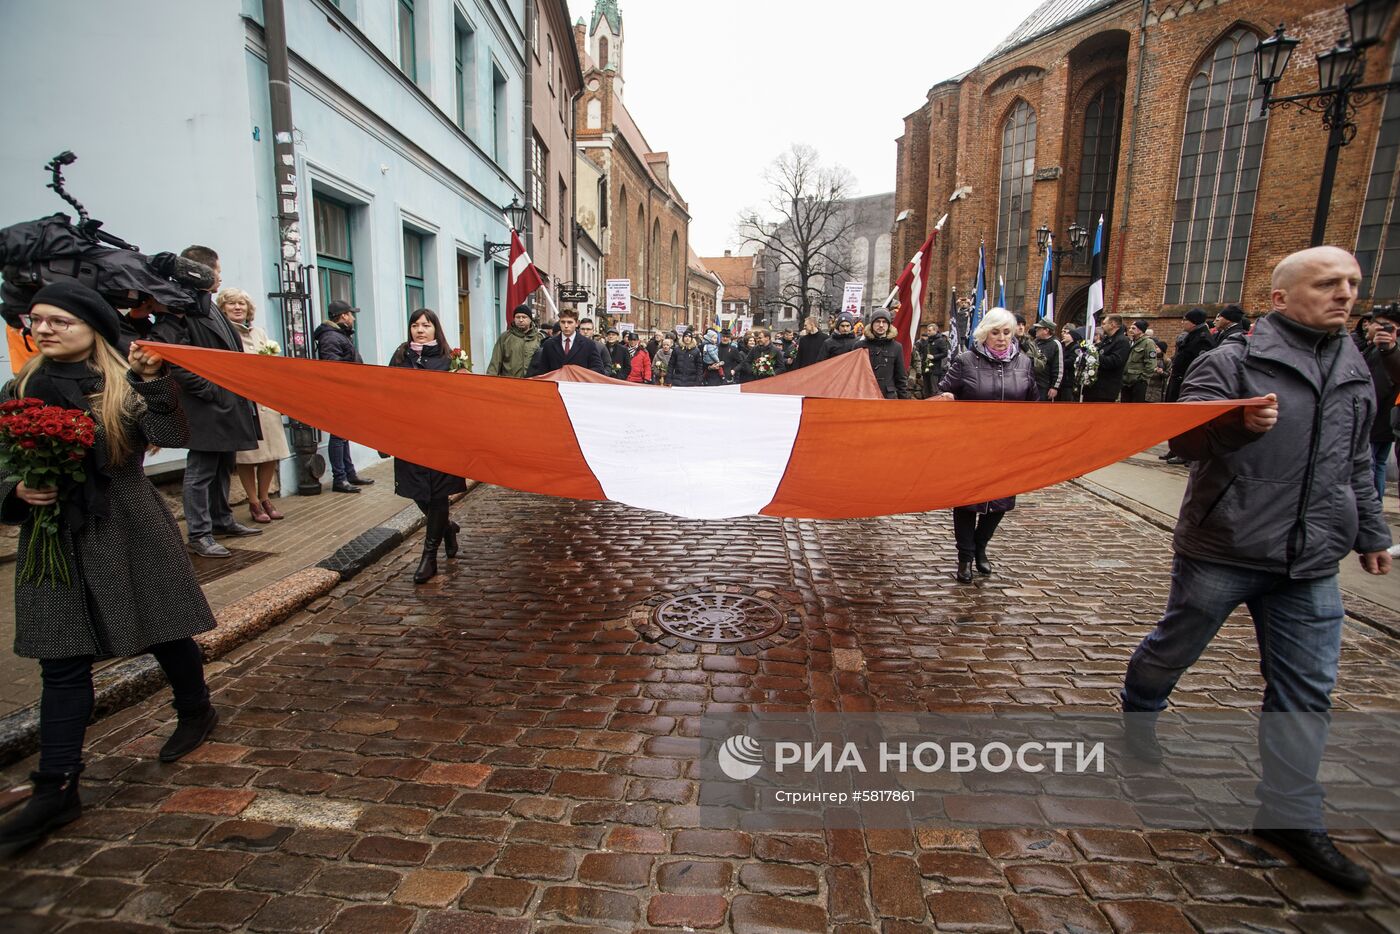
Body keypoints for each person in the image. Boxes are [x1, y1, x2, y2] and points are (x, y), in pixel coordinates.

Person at [1121, 246, 1391, 892]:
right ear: (1280, 297)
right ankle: (1140, 703)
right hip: (1225, 546)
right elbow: (1180, 441)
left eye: (1352, 284)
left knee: (1306, 690)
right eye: (1328, 284)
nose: (1345, 295)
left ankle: (1290, 815)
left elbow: (1357, 460)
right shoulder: (1230, 361)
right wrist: (1236, 427)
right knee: (1173, 648)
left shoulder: (1352, 365)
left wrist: (1373, 531)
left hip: (1312, 561)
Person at [0, 281, 219, 856]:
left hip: (126, 522)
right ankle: (58, 786)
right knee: (61, 657)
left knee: (166, 630)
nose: (44, 330)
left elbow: (172, 438)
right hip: (53, 536)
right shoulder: (19, 388)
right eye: (37, 320)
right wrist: (18, 490)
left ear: (92, 327)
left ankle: (196, 710)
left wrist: (152, 382)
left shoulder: (119, 384)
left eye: (59, 321)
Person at [152, 246, 263, 555]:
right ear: (200, 272)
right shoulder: (182, 308)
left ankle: (221, 519)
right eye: (217, 271)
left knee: (222, 467)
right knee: (200, 472)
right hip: (206, 407)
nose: (220, 277)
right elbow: (176, 362)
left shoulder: (208, 306)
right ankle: (199, 534)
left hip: (226, 405)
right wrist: (212, 391)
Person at [931, 308, 1039, 582]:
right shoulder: (966, 361)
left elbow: (1033, 404)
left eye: (1006, 332)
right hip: (971, 445)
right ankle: (965, 557)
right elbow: (945, 390)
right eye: (995, 332)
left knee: (1001, 502)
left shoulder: (1024, 363)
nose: (1001, 338)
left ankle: (981, 546)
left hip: (1007, 446)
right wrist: (945, 397)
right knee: (968, 503)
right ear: (984, 333)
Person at [388, 309, 469, 585]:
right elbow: (386, 394)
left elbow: (462, 400)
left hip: (443, 438)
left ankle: (429, 557)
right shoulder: (400, 358)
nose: (420, 330)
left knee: (438, 496)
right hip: (410, 437)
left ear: (436, 329)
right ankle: (447, 528)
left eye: (426, 325)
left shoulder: (450, 359)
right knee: (418, 493)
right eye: (415, 325)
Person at [217, 288, 291, 523]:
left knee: (271, 452)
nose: (238, 307)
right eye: (232, 304)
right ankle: (253, 502)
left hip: (265, 401)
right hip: (243, 403)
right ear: (223, 307)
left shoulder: (258, 332)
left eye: (242, 304)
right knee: (248, 456)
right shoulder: (224, 332)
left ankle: (265, 497)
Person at [1364, 305, 1399, 501]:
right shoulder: (1379, 349)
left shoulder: (1384, 352)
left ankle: (1373, 504)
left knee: (1373, 465)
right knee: (1378, 464)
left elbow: (1378, 387)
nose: (1367, 326)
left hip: (1378, 420)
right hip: (1387, 421)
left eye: (1372, 323)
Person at [526, 308, 608, 376]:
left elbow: (598, 369)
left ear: (577, 323)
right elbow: (543, 370)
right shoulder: (549, 344)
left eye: (569, 322)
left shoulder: (588, 345)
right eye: (563, 322)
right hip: (556, 389)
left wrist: (579, 374)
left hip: (579, 389)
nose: (566, 326)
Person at [860, 308, 910, 399]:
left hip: (888, 396)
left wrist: (903, 401)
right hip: (865, 395)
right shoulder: (860, 345)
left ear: (889, 325)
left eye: (884, 322)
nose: (881, 325)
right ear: (872, 324)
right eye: (878, 321)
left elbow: (901, 376)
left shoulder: (897, 347)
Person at [1165, 308, 1213, 403]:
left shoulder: (1202, 340)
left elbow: (1199, 365)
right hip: (1179, 381)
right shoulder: (1191, 335)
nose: (1183, 322)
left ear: (1194, 322)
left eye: (1185, 320)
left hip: (1187, 383)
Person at [486, 305, 544, 378]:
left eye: (524, 317)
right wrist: (489, 381)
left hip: (533, 383)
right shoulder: (505, 337)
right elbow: (495, 362)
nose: (521, 320)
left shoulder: (539, 338)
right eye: (518, 317)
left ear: (530, 319)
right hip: (510, 383)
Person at [1084, 314, 1129, 402]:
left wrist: (1095, 356)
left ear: (1112, 325)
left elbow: (1115, 361)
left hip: (1106, 389)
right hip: (1095, 387)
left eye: (1104, 323)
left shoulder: (1122, 341)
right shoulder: (1107, 339)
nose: (1102, 326)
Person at [1120, 318, 1159, 403]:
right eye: (1130, 328)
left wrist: (1142, 378)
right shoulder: (1131, 342)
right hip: (1127, 381)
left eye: (1133, 328)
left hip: (1138, 381)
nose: (1130, 330)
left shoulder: (1148, 343)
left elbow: (1151, 363)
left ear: (1141, 330)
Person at [1031, 319, 1063, 401]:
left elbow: (1058, 367)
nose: (1036, 330)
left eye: (1039, 328)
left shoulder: (1055, 344)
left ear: (1046, 330)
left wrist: (1054, 387)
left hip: (1044, 385)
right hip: (1032, 383)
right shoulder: (1035, 342)